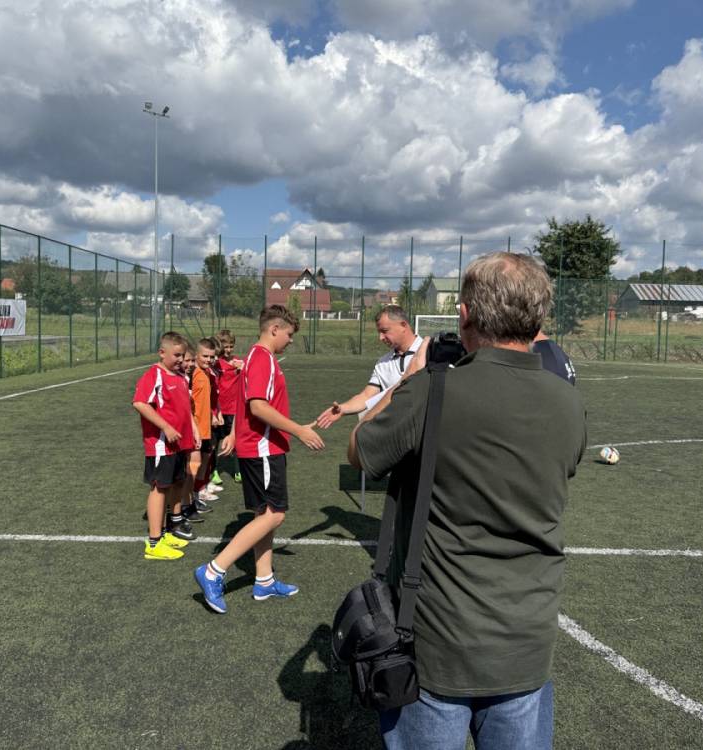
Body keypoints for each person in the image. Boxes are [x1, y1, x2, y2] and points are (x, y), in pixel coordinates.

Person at [348, 253, 587, 750]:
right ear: (538, 318)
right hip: (526, 641)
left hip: (437, 643)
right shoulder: (568, 400)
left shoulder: (432, 390)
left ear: (465, 314)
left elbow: (360, 451)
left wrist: (411, 377)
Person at [194, 305, 325, 614]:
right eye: (289, 334)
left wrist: (234, 434)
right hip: (264, 449)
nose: (290, 340)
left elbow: (244, 404)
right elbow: (257, 406)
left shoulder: (254, 357)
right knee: (275, 515)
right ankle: (213, 570)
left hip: (259, 447)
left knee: (264, 513)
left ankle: (264, 580)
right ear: (274, 329)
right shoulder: (263, 358)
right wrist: (299, 431)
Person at [132, 332, 200, 560]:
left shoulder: (180, 376)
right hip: (162, 445)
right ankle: (154, 543)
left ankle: (166, 533)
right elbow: (140, 403)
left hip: (179, 444)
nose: (181, 360)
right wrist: (166, 427)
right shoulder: (154, 375)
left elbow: (185, 408)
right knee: (159, 488)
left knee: (174, 485)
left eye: (183, 355)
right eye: (176, 355)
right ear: (162, 353)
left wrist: (193, 429)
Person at [315, 305, 423, 427]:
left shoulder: (431, 353)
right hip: (396, 431)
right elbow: (367, 395)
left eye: (385, 331)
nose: (380, 337)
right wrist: (343, 408)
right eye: (379, 332)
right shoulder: (383, 363)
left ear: (403, 325)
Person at [182, 337, 220, 524]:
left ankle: (194, 498)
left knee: (201, 464)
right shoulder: (192, 374)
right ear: (196, 355)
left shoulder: (206, 373)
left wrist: (212, 415)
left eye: (212, 357)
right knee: (192, 467)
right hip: (195, 429)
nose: (209, 360)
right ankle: (185, 504)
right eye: (205, 356)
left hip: (205, 428)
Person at [211, 329, 243, 485]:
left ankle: (238, 471)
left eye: (231, 346)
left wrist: (243, 369)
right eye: (225, 346)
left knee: (236, 441)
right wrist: (215, 411)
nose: (228, 350)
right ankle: (214, 471)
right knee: (214, 443)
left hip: (234, 410)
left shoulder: (239, 362)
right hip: (219, 410)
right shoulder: (216, 363)